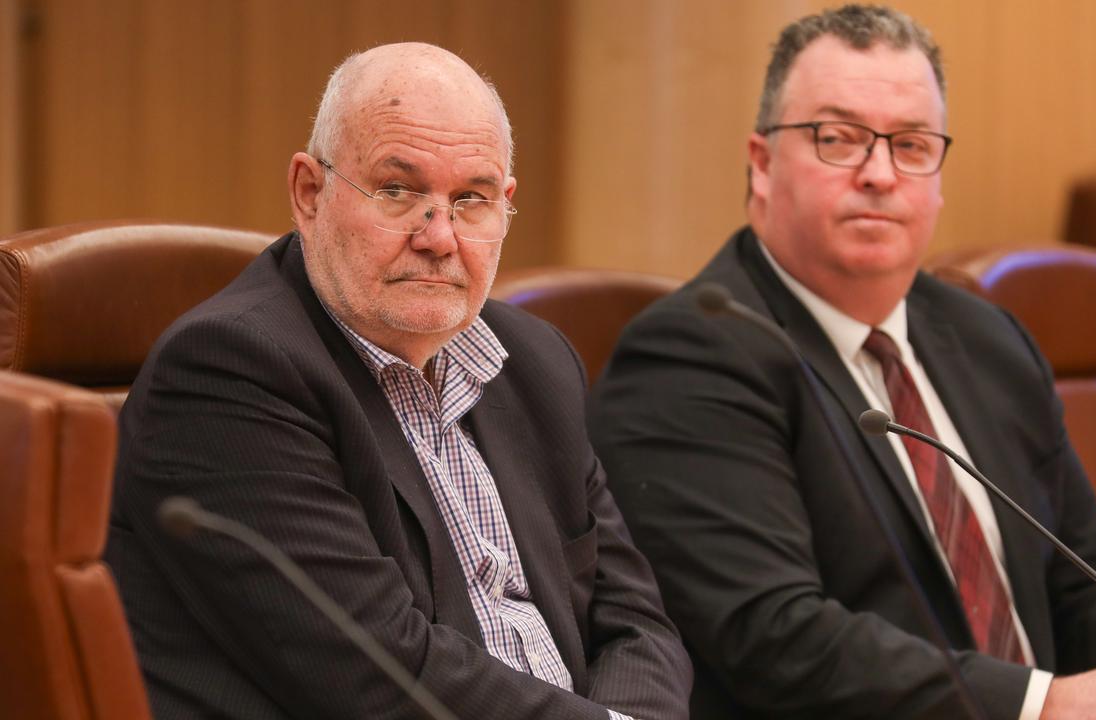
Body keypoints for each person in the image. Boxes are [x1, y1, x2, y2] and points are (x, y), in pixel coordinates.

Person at [588, 6, 1096, 720]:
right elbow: (777, 640)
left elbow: (1083, 575)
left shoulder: (987, 338)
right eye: (839, 139)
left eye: (911, 145)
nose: (880, 173)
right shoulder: (693, 357)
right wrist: (1045, 705)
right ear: (761, 163)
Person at [105, 43, 691, 720]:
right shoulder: (229, 372)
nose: (439, 237)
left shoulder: (533, 359)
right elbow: (380, 673)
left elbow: (638, 623)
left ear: (505, 208)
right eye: (397, 190)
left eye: (470, 199)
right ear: (309, 193)